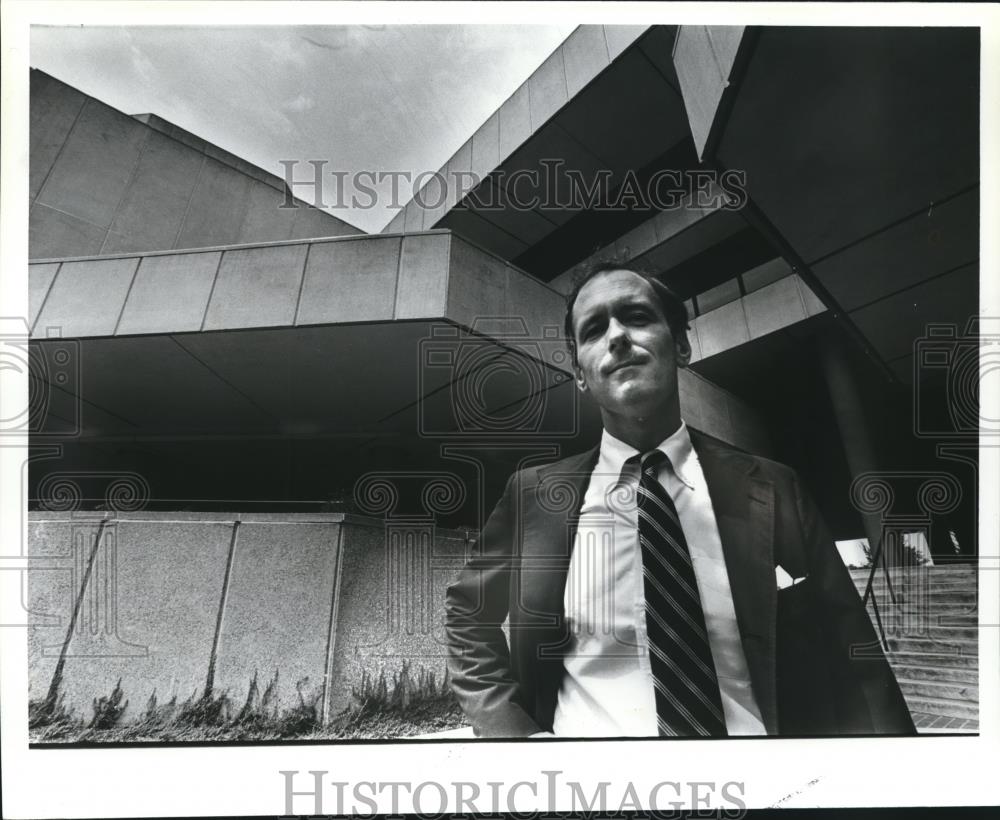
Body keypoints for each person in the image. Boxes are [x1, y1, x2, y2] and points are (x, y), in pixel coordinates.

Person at [444, 261, 915, 738]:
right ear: (581, 374)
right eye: (593, 330)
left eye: (636, 316)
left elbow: (857, 660)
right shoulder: (533, 497)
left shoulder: (775, 487)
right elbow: (466, 612)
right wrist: (513, 734)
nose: (617, 337)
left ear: (683, 346)